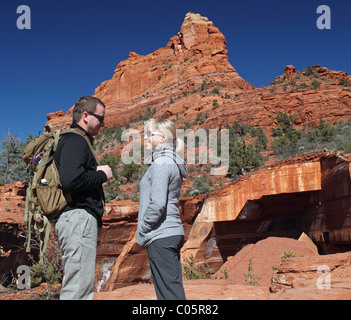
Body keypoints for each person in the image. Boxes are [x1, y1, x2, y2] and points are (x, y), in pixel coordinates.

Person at [54, 96, 113, 300]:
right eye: (101, 118)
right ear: (86, 116)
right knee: (78, 290)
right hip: (79, 218)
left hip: (76, 220)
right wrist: (102, 175)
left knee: (79, 287)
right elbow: (72, 180)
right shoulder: (75, 140)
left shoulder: (76, 140)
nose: (103, 124)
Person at [137, 119, 188, 300]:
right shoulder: (169, 161)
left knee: (168, 295)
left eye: (150, 134)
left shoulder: (161, 164)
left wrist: (143, 228)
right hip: (170, 232)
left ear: (163, 137)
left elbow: (158, 203)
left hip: (161, 234)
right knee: (172, 292)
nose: (146, 137)